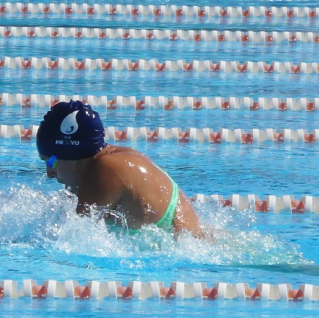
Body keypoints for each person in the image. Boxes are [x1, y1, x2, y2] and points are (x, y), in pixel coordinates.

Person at [36, 100, 204, 238]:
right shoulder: (117, 156)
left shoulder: (106, 170)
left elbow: (67, 239)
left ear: (72, 154)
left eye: (51, 161)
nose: (49, 173)